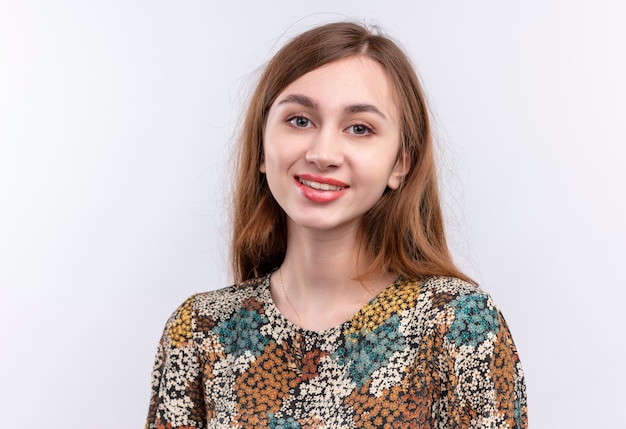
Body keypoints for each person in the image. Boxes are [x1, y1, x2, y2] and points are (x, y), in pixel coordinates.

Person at [146, 21, 527, 428]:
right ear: (261, 146)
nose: (323, 153)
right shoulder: (200, 331)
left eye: (359, 128)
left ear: (401, 163)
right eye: (300, 120)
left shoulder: (458, 325)